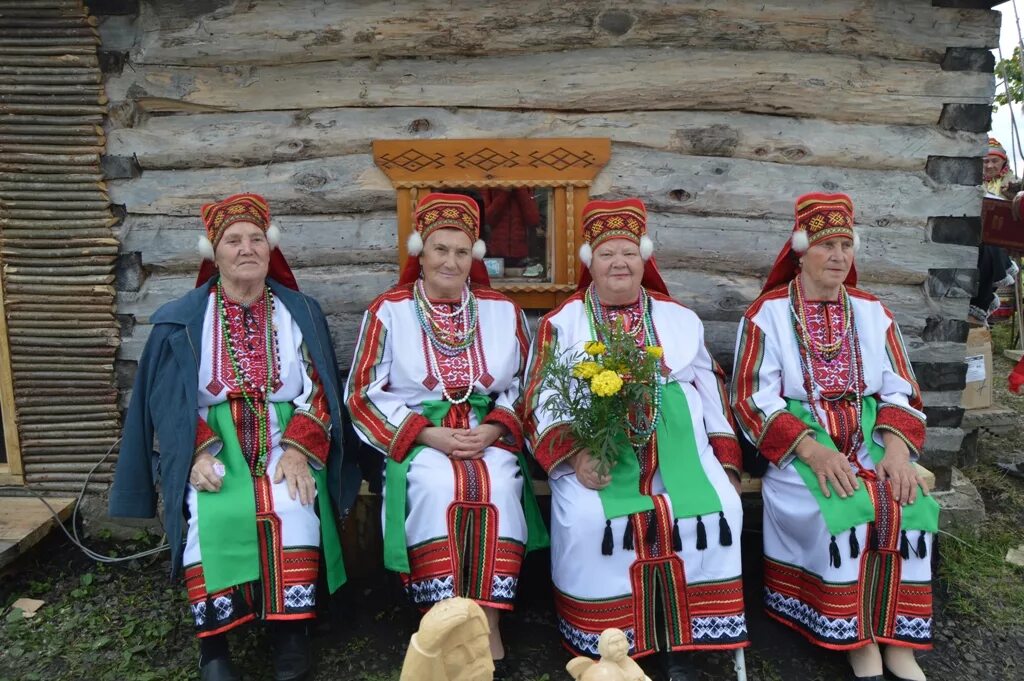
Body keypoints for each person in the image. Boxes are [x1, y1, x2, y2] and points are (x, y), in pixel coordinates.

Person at [110, 193, 360, 681]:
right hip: (215, 437)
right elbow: (168, 398)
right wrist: (195, 451)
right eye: (233, 241)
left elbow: (321, 387)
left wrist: (297, 448)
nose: (246, 249)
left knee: (291, 504)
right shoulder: (183, 318)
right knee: (216, 511)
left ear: (271, 249)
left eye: (256, 239)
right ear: (214, 252)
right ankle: (214, 645)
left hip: (283, 431)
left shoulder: (299, 312)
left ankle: (290, 633)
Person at [522, 199, 748, 681]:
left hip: (680, 456)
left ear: (644, 259)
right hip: (598, 458)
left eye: (628, 252)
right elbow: (539, 399)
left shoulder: (679, 319)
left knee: (718, 510)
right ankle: (613, 645)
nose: (618, 263)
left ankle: (681, 643)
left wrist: (726, 463)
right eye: (606, 254)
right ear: (590, 262)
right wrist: (577, 455)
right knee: (588, 518)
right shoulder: (564, 323)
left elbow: (712, 393)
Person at [731, 193, 940, 681]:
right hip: (802, 442)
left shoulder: (872, 310)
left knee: (907, 501)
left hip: (871, 433)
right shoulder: (767, 313)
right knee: (844, 505)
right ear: (801, 251)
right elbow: (751, 398)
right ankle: (856, 637)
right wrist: (812, 448)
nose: (839, 255)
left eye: (846, 244)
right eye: (827, 245)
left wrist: (895, 451)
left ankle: (898, 637)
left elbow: (901, 389)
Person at [345, 193, 547, 674]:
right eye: (440, 250)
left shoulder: (502, 310)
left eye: (461, 251)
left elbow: (527, 385)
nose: (450, 261)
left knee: (497, 484)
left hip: (487, 437)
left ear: (474, 255)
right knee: (437, 486)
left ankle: (490, 623)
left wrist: (497, 426)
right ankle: (442, 620)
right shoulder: (388, 311)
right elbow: (362, 393)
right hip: (421, 439)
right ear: (421, 252)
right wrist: (425, 434)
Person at [976, 138, 1020, 326]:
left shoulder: (1013, 183)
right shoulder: (972, 181)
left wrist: (1013, 194)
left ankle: (996, 329)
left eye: (995, 161)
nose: (990, 165)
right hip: (980, 246)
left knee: (1004, 290)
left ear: (1004, 162)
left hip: (1004, 249)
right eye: (986, 161)